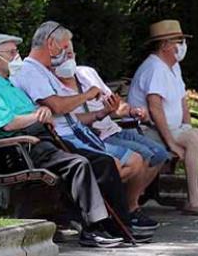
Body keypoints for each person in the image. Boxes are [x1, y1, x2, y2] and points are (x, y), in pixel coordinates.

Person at [0, 33, 139, 248]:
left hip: (43, 141)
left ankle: (120, 227)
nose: (17, 57)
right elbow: (6, 124)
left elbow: (34, 110)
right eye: (12, 53)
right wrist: (37, 116)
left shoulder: (7, 84)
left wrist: (41, 111)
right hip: (22, 148)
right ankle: (93, 229)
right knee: (78, 164)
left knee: (103, 161)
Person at [10, 22, 158, 237]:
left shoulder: (44, 71)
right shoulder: (30, 71)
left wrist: (99, 113)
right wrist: (87, 95)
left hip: (77, 132)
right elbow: (58, 106)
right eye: (63, 48)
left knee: (124, 162)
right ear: (51, 44)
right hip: (56, 139)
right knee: (109, 165)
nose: (66, 54)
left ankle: (116, 222)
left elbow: (66, 111)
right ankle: (106, 223)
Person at [128, 20, 198, 216]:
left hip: (173, 128)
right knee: (192, 140)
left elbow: (182, 100)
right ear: (164, 45)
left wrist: (187, 125)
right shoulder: (154, 68)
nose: (182, 46)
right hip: (149, 130)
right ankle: (194, 201)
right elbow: (155, 109)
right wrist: (171, 142)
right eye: (177, 41)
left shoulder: (173, 66)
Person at [53, 47, 170, 223]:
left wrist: (131, 111)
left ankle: (129, 201)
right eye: (65, 54)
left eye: (72, 52)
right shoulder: (51, 85)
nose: (70, 57)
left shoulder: (87, 73)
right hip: (94, 134)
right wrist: (100, 111)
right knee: (141, 157)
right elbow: (66, 121)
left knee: (159, 153)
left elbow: (115, 105)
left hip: (112, 127)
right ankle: (128, 208)